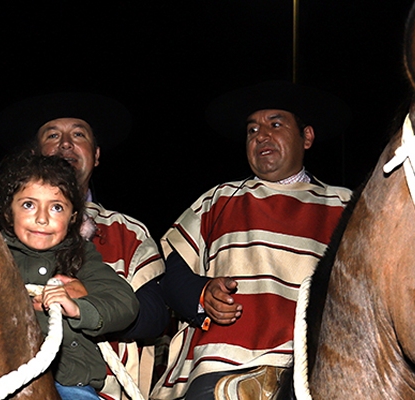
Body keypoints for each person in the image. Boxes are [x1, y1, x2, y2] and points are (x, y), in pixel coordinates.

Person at [151, 81, 354, 399]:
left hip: (314, 366)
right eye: (252, 130)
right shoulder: (218, 199)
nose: (261, 136)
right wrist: (202, 294)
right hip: (220, 363)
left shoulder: (344, 206)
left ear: (307, 137)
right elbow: (170, 275)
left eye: (275, 124)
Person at [0, 92, 168, 399]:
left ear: (96, 154)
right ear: (36, 154)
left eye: (78, 134)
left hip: (93, 387)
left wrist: (83, 301)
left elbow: (154, 317)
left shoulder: (129, 232)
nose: (65, 144)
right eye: (52, 135)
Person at [0, 151, 140, 399]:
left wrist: (79, 309)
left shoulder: (81, 257)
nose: (42, 218)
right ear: (7, 212)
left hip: (68, 382)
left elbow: (124, 302)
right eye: (28, 204)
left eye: (57, 207)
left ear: (72, 218)